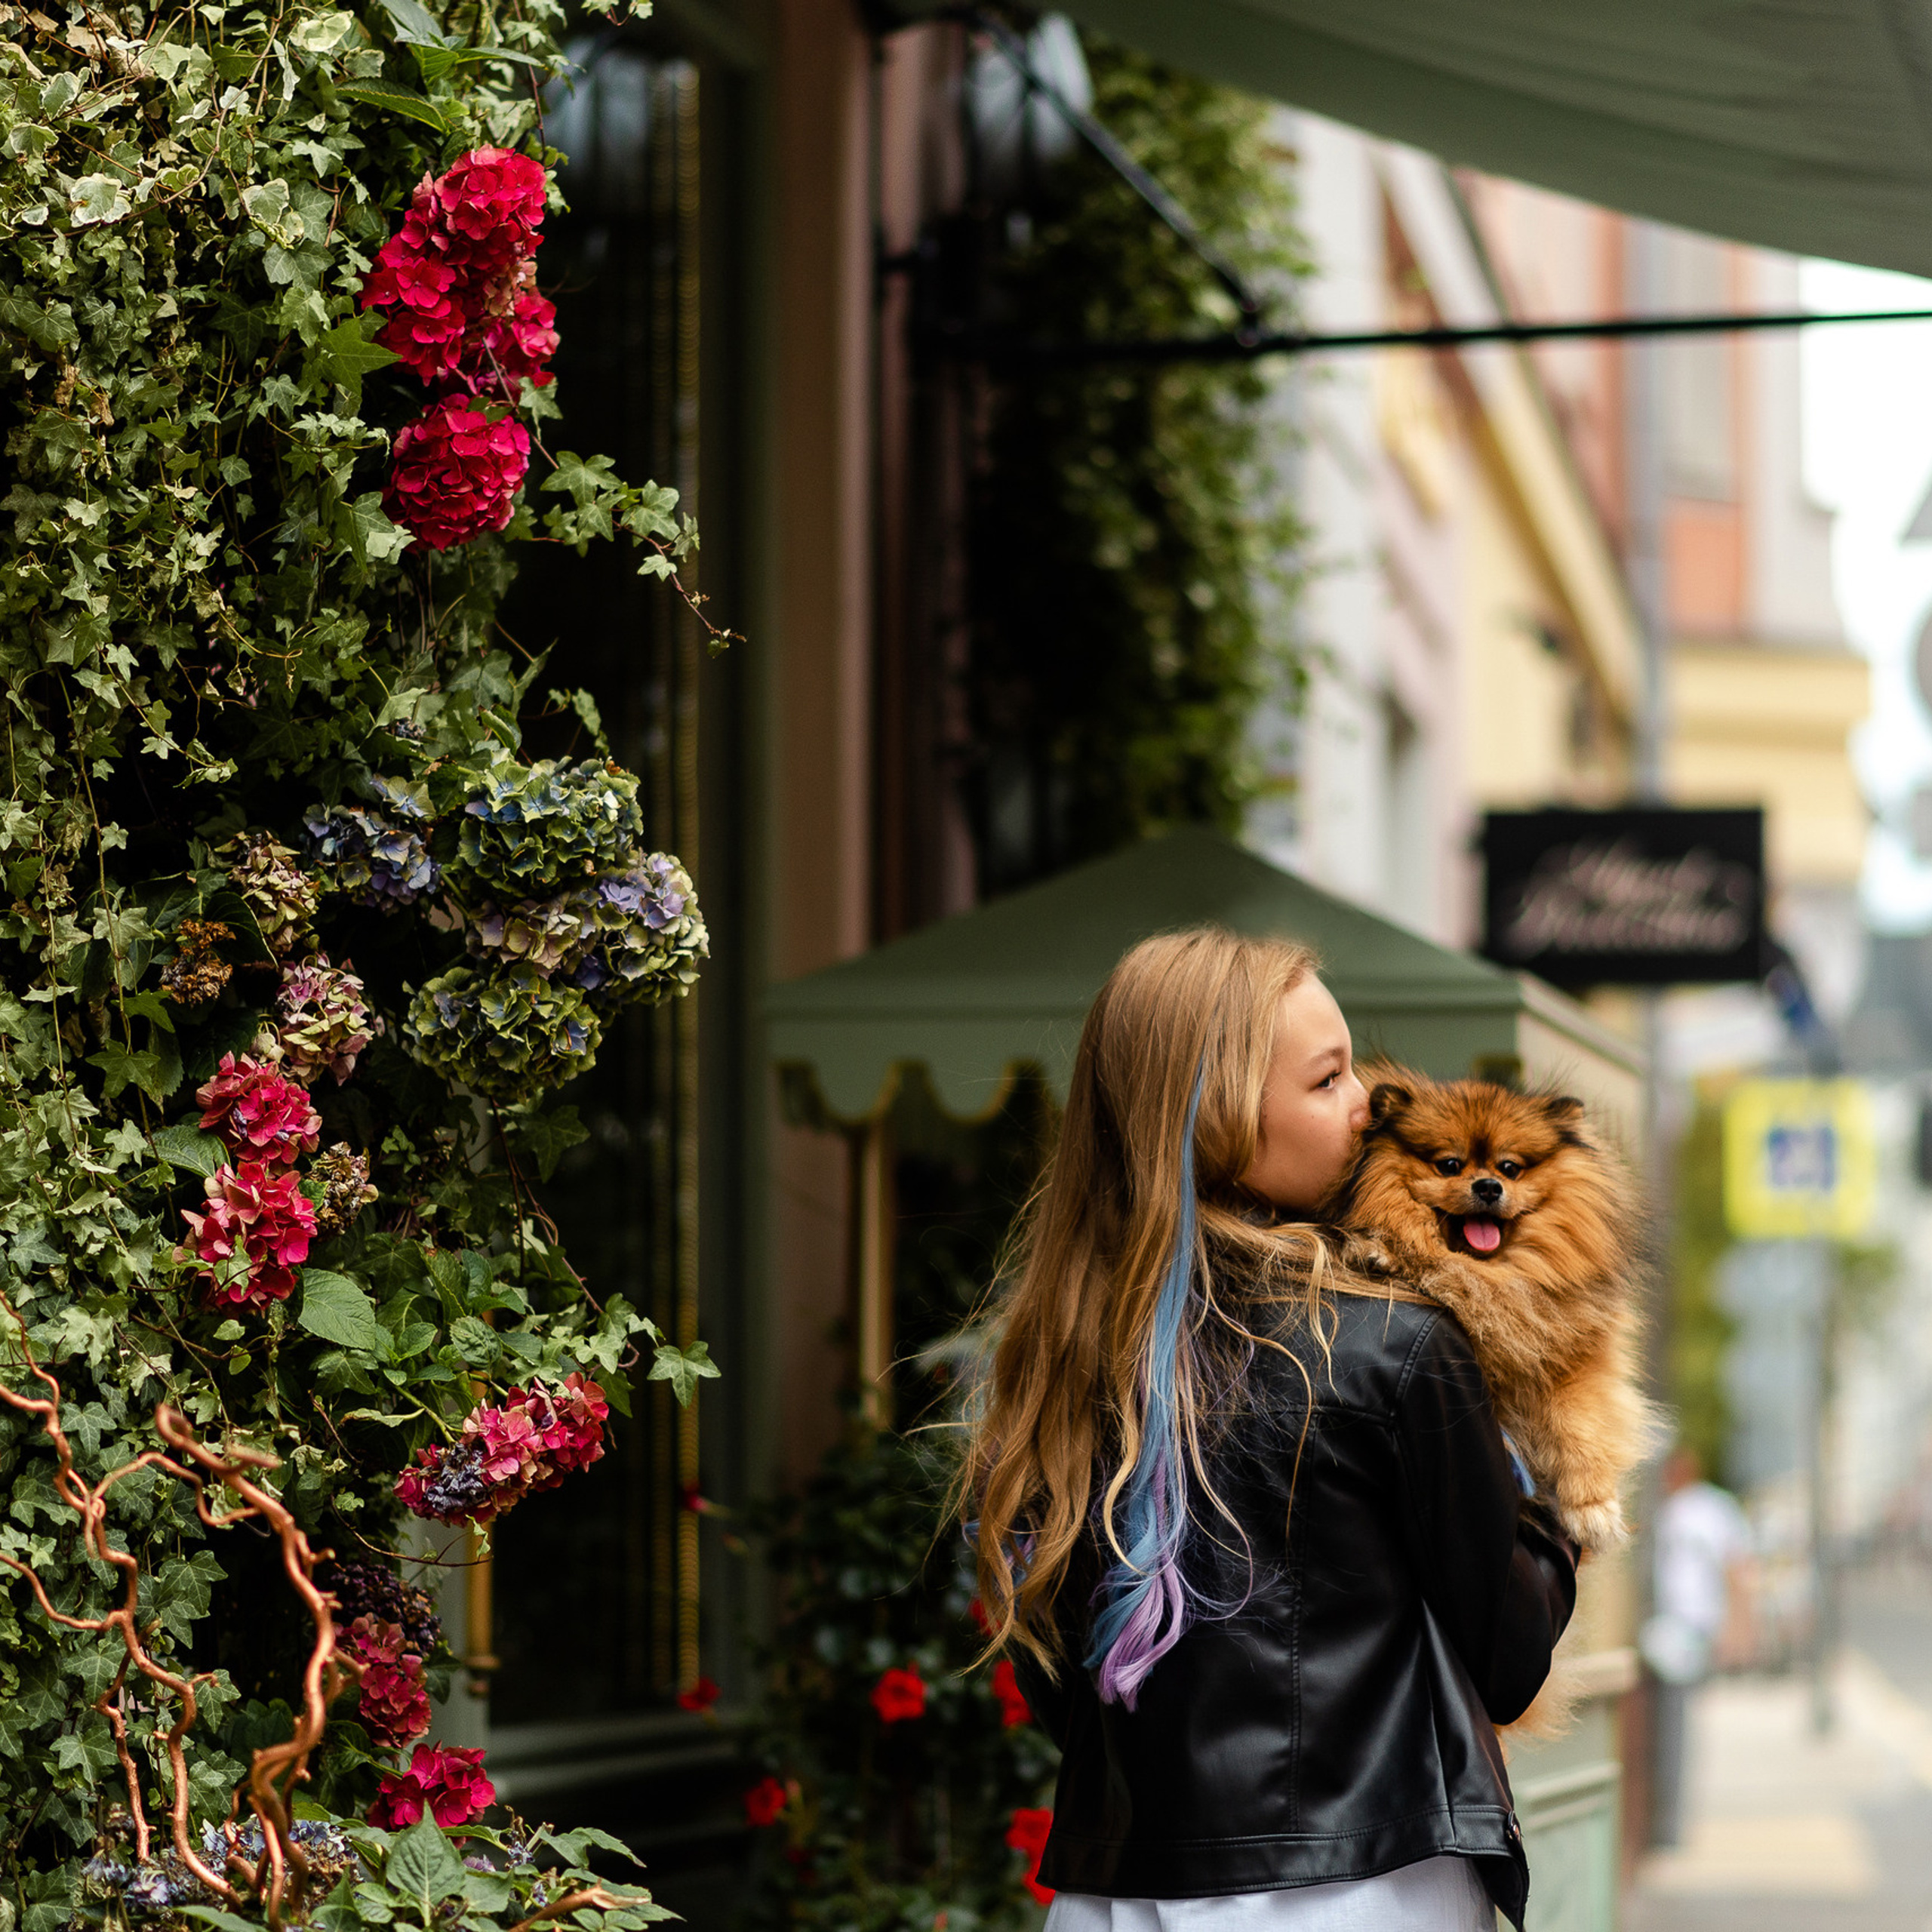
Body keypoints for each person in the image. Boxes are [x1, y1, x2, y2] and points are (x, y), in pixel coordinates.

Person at [964, 929, 1580, 1931]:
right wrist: (1554, 1494)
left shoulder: (1057, 1356)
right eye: (1329, 1079)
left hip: (1125, 1900)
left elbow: (1061, 1684)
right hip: (1365, 1890)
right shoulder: (1396, 1348)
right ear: (1221, 1118)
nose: (1367, 1106)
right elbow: (1509, 1657)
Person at [1641, 1444, 1752, 1847]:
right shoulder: (1666, 1510)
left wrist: (1737, 1632)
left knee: (1676, 1727)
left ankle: (1670, 1827)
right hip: (1668, 1628)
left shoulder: (1712, 1508)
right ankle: (1668, 1824)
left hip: (1690, 1631)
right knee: (1671, 1728)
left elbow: (1738, 1569)